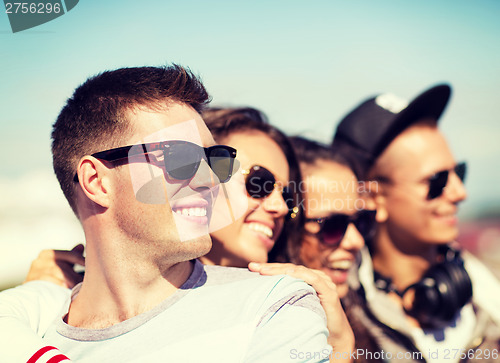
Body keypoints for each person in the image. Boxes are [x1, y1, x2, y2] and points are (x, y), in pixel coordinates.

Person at [0, 65, 334, 362]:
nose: (209, 180)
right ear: (96, 182)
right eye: (180, 159)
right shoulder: (25, 332)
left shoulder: (273, 308)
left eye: (215, 159)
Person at [331, 84, 500, 362]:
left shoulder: (487, 293)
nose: (460, 192)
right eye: (437, 181)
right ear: (375, 197)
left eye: (459, 172)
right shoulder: (337, 317)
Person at [251, 136, 380, 362]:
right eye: (332, 226)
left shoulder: (362, 313)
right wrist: (340, 349)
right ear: (285, 223)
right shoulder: (260, 330)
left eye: (361, 221)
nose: (356, 241)